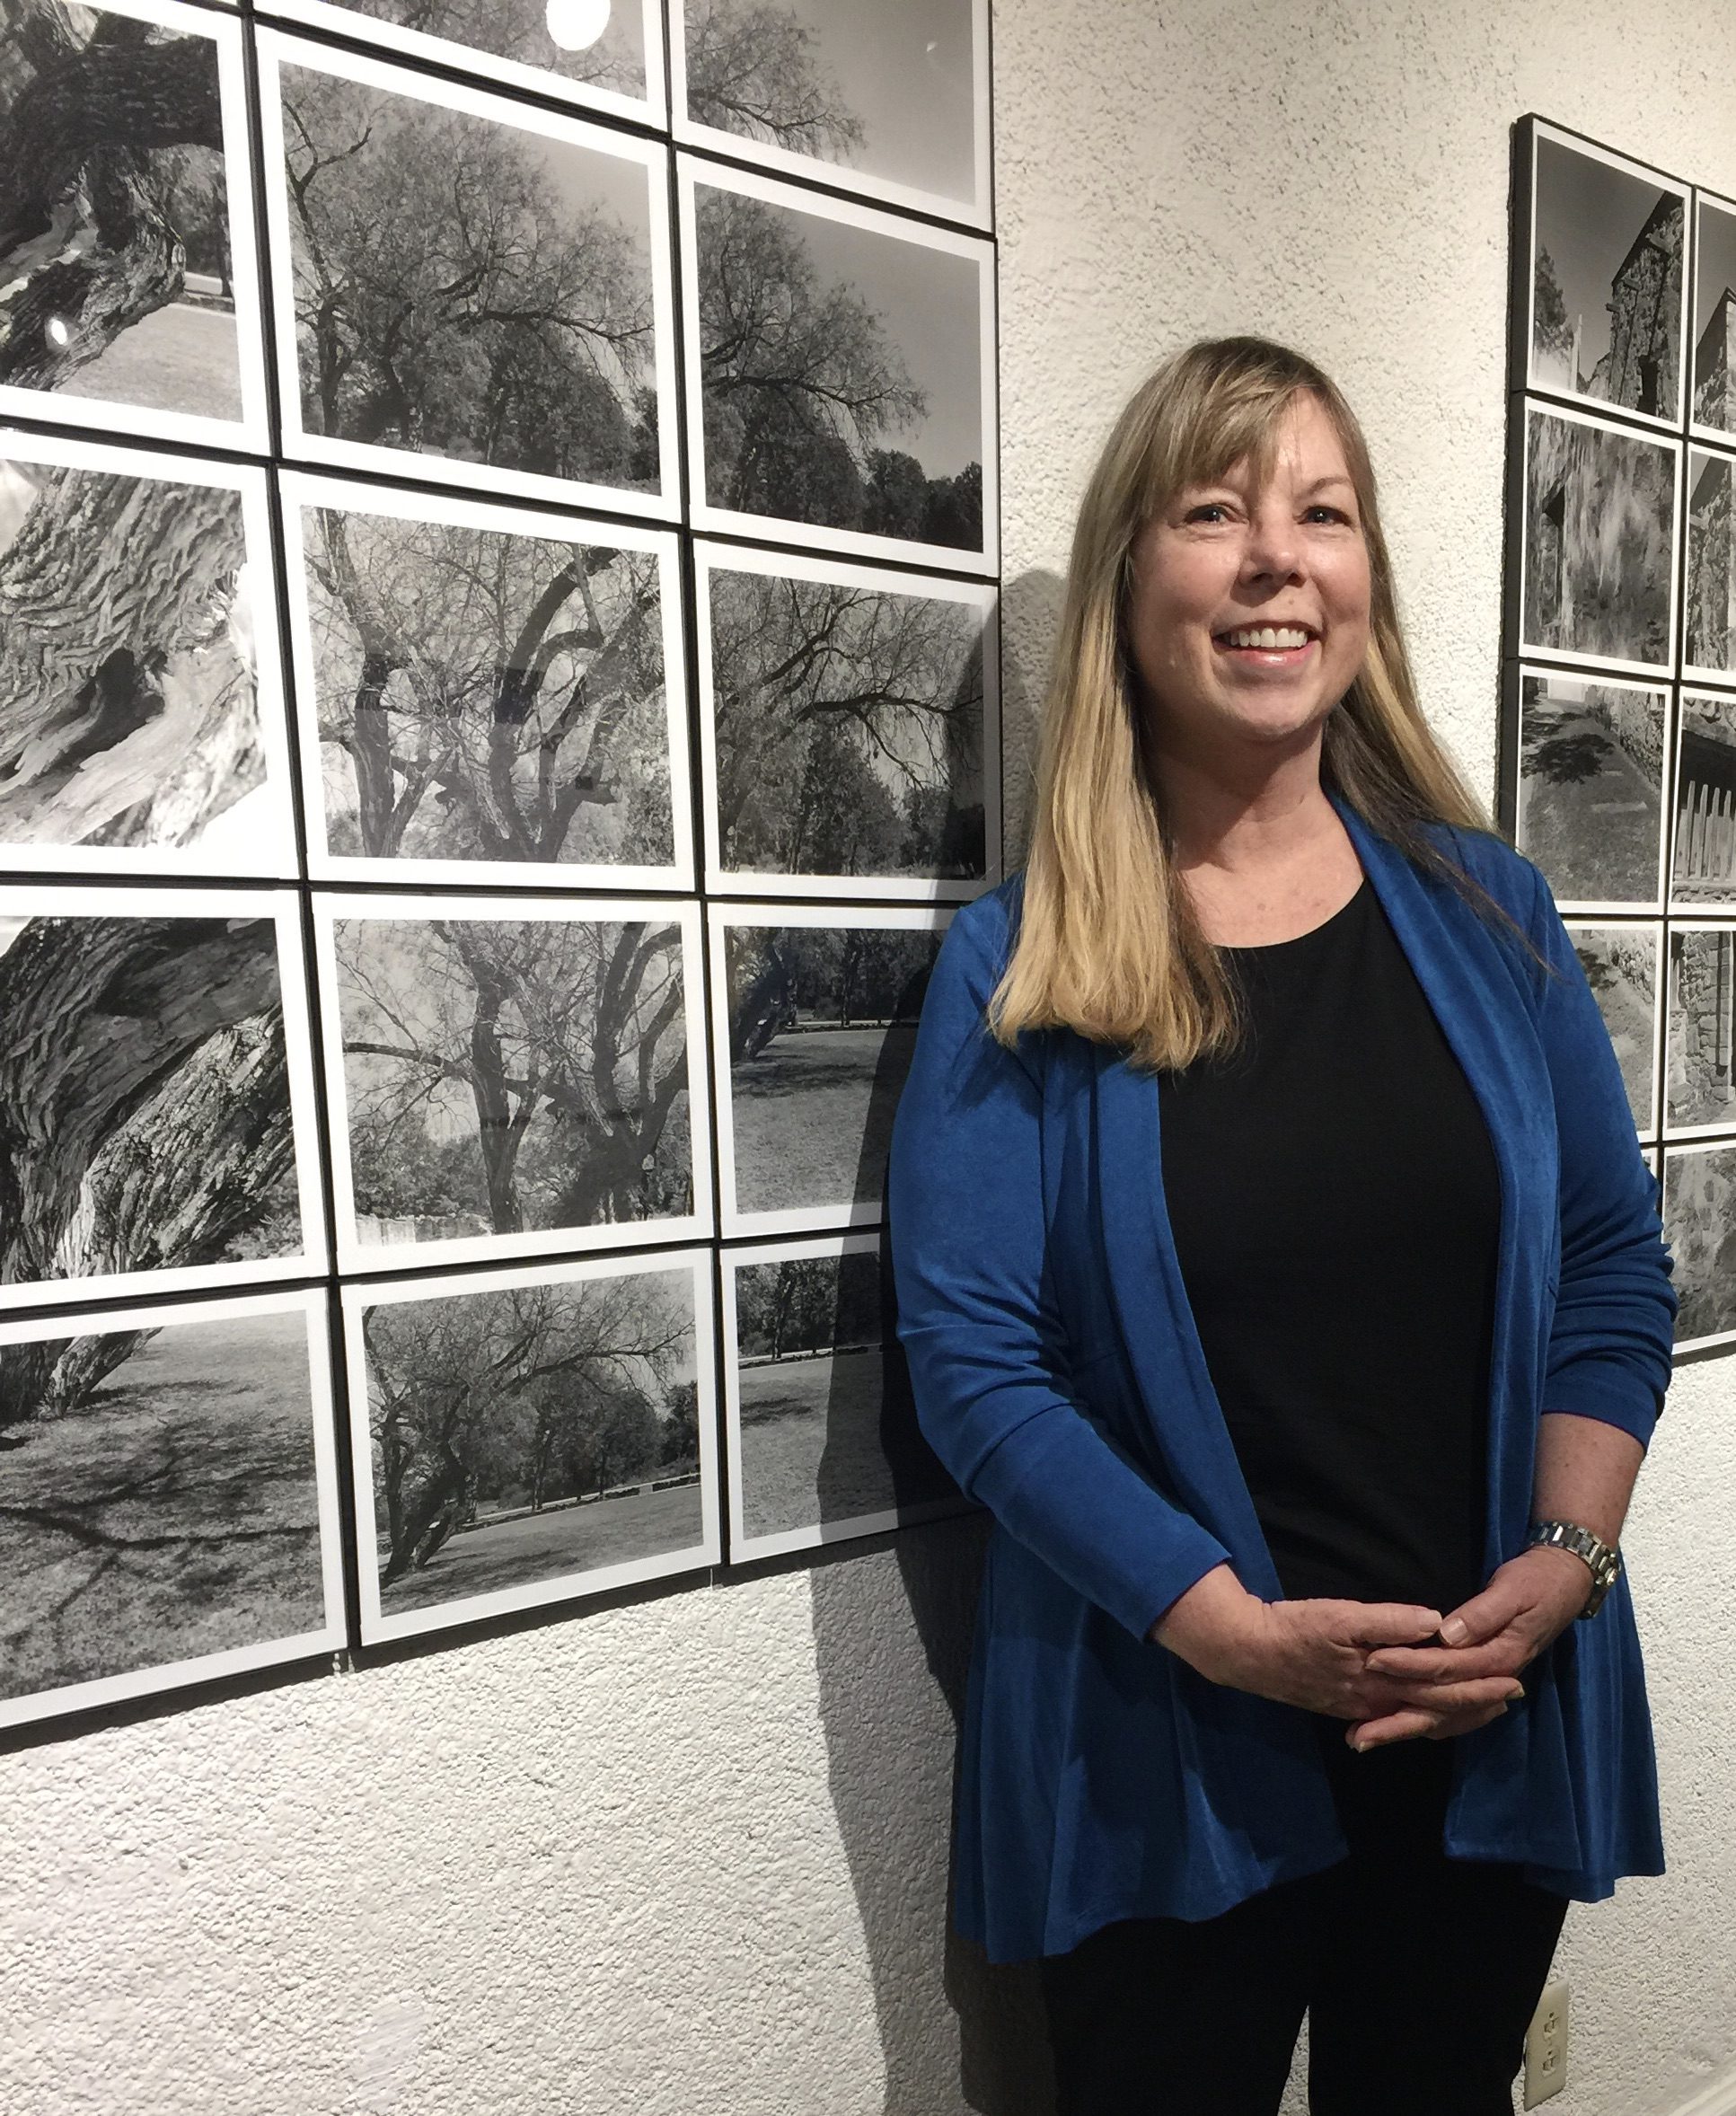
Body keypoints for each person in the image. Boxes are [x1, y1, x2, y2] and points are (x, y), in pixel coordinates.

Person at [885, 336, 1677, 2116]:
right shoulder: (1019, 968)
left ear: (1363, 578)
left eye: (1320, 512)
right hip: (1167, 1735)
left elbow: (1613, 1270)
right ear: (1131, 581)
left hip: (1479, 1724)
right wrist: (1232, 1628)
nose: (1275, 557)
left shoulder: (1496, 915)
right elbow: (978, 1366)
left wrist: (1564, 1562)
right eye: (1214, 509)